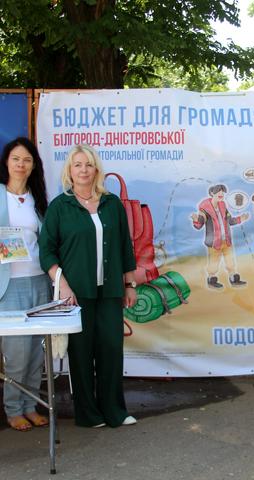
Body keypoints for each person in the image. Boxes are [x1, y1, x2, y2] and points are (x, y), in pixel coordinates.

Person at [39, 144, 137, 428]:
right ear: (69, 171)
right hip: (77, 294)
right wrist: (62, 284)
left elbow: (125, 246)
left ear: (96, 170)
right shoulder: (60, 206)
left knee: (111, 350)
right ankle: (88, 414)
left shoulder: (112, 204)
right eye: (77, 165)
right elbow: (47, 251)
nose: (83, 170)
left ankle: (115, 411)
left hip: (110, 292)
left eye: (88, 164)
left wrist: (130, 283)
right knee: (81, 354)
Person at [0, 137, 51, 431]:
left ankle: (30, 406)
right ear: (6, 162)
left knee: (36, 351)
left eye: (27, 160)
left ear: (33, 166)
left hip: (39, 281)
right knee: (17, 352)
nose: (21, 165)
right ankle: (13, 409)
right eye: (16, 159)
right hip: (9, 285)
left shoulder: (38, 199)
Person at [191, 184, 249, 289]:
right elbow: (199, 224)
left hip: (226, 240)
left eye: (222, 192)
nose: (221, 194)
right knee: (214, 261)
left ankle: (233, 278)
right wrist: (195, 220)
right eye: (218, 191)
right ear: (212, 193)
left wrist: (240, 219)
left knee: (230, 260)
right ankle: (211, 280)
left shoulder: (223, 205)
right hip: (214, 242)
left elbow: (229, 220)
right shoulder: (205, 208)